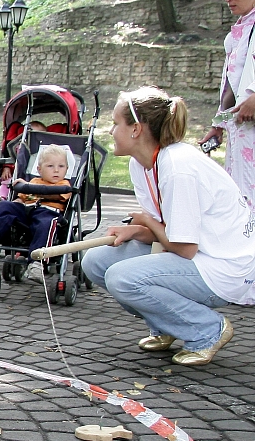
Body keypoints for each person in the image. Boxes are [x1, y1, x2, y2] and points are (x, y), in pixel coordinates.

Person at [82, 86, 255, 366]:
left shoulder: (178, 166)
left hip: (224, 268)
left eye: (116, 124)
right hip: (196, 256)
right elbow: (168, 232)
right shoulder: (141, 164)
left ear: (136, 129)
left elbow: (185, 247)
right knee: (96, 261)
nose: (111, 130)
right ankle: (168, 326)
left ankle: (207, 330)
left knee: (123, 278)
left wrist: (146, 222)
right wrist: (137, 230)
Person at [0, 144, 71, 284]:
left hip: (48, 213)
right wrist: (19, 198)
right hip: (28, 212)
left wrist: (32, 189)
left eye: (61, 166)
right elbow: (21, 198)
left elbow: (58, 196)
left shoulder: (65, 185)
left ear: (67, 169)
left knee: (47, 224)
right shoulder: (33, 181)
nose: (56, 170)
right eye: (50, 166)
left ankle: (36, 263)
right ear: (39, 169)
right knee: (4, 205)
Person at [199, 0, 255, 212]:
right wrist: (218, 124)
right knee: (241, 193)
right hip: (242, 128)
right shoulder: (239, 32)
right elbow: (231, 83)